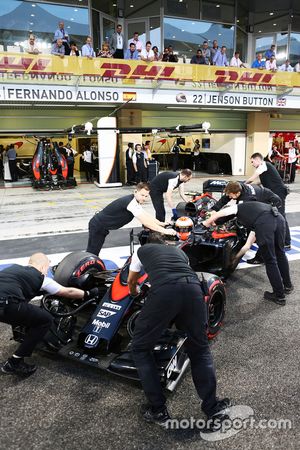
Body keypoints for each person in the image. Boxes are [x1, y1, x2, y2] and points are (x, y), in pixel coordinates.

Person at [128, 232, 231, 428]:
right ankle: (213, 407)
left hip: (165, 292)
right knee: (199, 350)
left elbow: (132, 282)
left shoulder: (142, 251)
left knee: (140, 349)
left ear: (147, 243)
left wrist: (136, 294)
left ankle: (158, 409)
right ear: (165, 243)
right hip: (193, 290)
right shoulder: (178, 253)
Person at [0, 253, 99, 375]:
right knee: (45, 320)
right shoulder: (41, 278)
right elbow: (68, 291)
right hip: (6, 303)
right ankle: (14, 363)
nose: (47, 271)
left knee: (24, 313)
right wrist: (89, 293)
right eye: (47, 267)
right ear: (42, 267)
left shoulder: (13, 269)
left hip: (6, 303)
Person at [203, 202, 293, 305]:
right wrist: (235, 258)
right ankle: (288, 286)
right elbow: (247, 245)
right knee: (280, 254)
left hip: (265, 223)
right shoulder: (253, 211)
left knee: (270, 260)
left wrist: (206, 223)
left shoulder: (237, 208)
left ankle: (279, 296)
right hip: (279, 219)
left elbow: (219, 213)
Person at [86, 183, 176, 256]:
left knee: (95, 251)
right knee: (92, 252)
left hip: (103, 227)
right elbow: (145, 222)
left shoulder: (135, 201)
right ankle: (87, 272)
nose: (144, 198)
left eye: (146, 196)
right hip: (98, 225)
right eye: (142, 195)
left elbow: (145, 215)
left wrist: (160, 223)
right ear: (135, 191)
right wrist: (164, 231)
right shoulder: (131, 203)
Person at [246, 152, 291, 254]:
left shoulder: (264, 165)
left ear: (258, 159)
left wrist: (242, 185)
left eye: (252, 162)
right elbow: (258, 182)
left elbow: (253, 178)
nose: (252, 164)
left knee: (281, 216)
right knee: (264, 211)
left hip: (278, 192)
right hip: (272, 193)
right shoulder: (264, 168)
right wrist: (249, 186)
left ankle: (286, 242)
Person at [212, 181, 282, 212]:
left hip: (270, 200)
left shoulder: (246, 199)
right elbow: (225, 198)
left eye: (231, 196)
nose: (230, 198)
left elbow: (240, 213)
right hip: (261, 193)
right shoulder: (236, 185)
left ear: (238, 193)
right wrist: (214, 209)